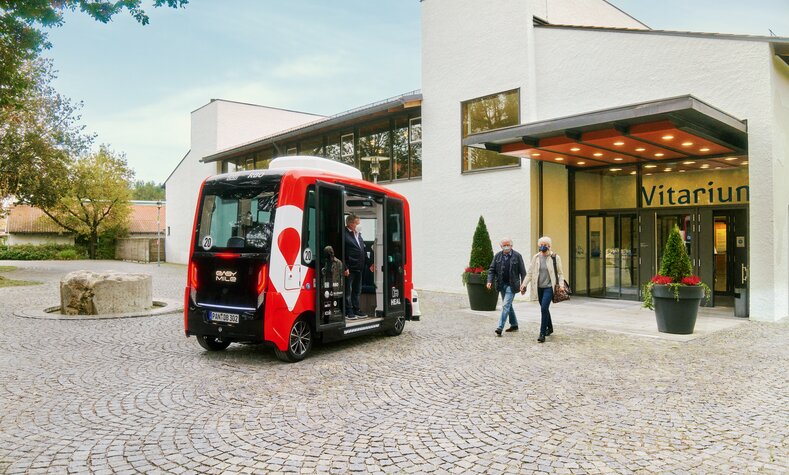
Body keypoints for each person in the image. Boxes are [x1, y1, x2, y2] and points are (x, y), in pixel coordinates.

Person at [521, 236, 566, 343]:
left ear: (549, 246)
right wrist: (524, 284)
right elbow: (530, 273)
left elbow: (560, 273)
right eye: (541, 245)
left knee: (544, 308)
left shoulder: (555, 257)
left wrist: (561, 285)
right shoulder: (536, 257)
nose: (543, 246)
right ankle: (550, 328)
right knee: (544, 308)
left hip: (549, 287)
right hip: (538, 287)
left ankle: (542, 333)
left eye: (545, 245)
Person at [486, 237, 527, 337]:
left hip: (512, 285)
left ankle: (500, 327)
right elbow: (492, 270)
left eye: (508, 245)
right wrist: (489, 281)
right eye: (504, 245)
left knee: (505, 306)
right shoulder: (497, 256)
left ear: (511, 245)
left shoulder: (517, 256)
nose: (506, 247)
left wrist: (523, 285)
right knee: (508, 306)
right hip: (501, 285)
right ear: (501, 246)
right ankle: (514, 325)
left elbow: (523, 272)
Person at [343, 213, 373, 319]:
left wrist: (370, 264)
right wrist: (344, 267)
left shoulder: (358, 234)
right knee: (348, 291)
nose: (359, 225)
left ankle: (356, 309)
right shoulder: (344, 234)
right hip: (349, 269)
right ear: (350, 223)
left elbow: (363, 251)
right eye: (357, 223)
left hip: (359, 268)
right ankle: (348, 311)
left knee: (357, 290)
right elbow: (340, 252)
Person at [321, 245, 345, 324]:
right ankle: (326, 319)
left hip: (335, 286)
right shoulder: (324, 262)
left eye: (332, 251)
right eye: (329, 252)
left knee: (336, 303)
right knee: (326, 303)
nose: (332, 253)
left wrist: (341, 288)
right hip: (327, 286)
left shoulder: (338, 262)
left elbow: (341, 276)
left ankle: (340, 318)